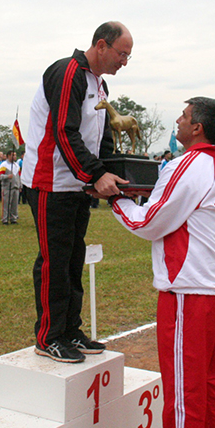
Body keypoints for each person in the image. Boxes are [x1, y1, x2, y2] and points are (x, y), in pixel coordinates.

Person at [107, 98, 215, 428]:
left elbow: (150, 222)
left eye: (183, 117)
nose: (178, 122)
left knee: (185, 386)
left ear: (197, 127)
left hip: (187, 290)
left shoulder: (187, 165)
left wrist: (117, 201)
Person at [20, 21, 131, 363]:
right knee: (55, 261)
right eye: (121, 54)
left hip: (76, 185)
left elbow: (103, 137)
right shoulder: (68, 73)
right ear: (101, 45)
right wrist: (95, 174)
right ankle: (49, 336)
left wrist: (112, 171)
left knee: (73, 258)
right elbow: (64, 131)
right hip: (50, 182)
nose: (124, 62)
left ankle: (70, 329)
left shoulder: (99, 86)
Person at [0, 150, 21, 224]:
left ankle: (13, 218)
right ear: (8, 156)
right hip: (7, 187)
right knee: (6, 204)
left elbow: (19, 176)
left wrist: (20, 185)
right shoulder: (4, 165)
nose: (14, 156)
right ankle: (5, 219)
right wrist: (7, 176)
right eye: (12, 155)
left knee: (14, 204)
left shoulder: (17, 165)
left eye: (15, 155)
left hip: (15, 187)